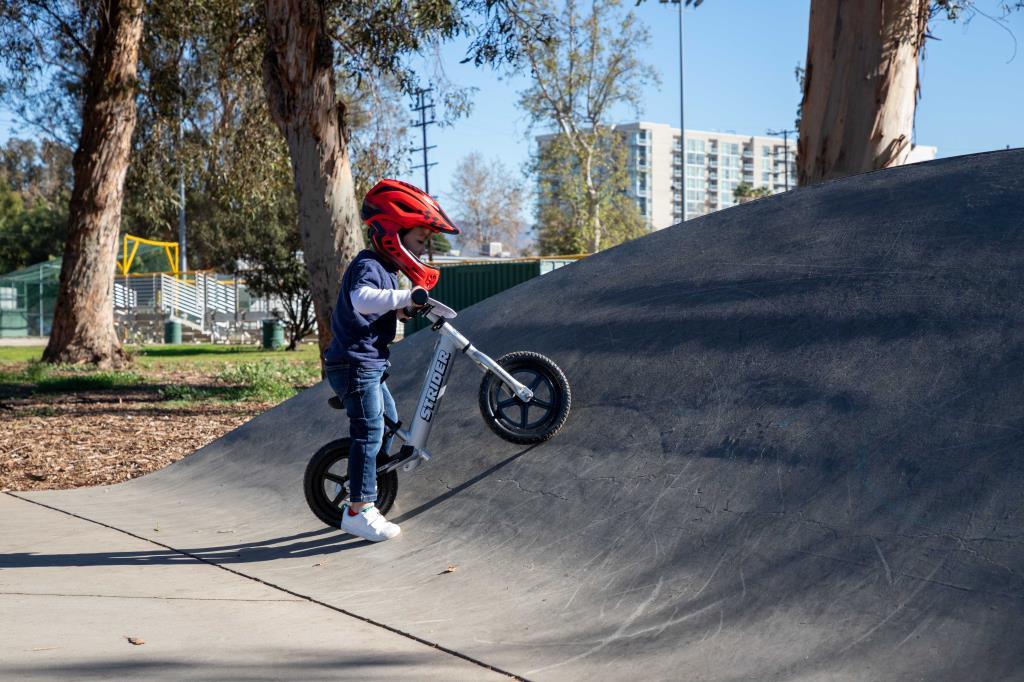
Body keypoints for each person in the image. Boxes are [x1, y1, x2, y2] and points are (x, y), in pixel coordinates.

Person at [322, 179, 459, 542]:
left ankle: (370, 485)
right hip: (354, 364)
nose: (422, 248)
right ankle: (358, 509)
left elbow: (380, 309)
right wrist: (403, 297)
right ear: (394, 234)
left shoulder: (387, 269)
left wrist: (404, 310)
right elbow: (362, 299)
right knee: (369, 431)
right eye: (419, 239)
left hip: (369, 363)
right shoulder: (369, 264)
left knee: (388, 425)